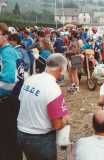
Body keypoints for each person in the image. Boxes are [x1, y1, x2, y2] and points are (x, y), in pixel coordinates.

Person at [17, 53, 70, 160]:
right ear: (60, 69)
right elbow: (57, 124)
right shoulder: (53, 88)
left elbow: (21, 101)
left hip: (21, 132)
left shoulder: (30, 79)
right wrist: (66, 120)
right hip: (40, 138)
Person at [0, 23, 21, 160]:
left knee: (7, 139)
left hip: (7, 103)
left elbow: (9, 80)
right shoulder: (7, 51)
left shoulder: (7, 52)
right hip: (11, 100)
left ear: (5, 36)